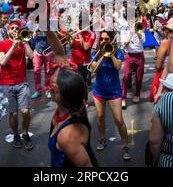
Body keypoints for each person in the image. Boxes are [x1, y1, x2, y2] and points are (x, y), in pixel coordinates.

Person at [45, 30, 98, 167]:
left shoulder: (67, 136)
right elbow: (59, 53)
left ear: (57, 93)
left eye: (55, 80)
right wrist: (44, 22)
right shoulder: (72, 106)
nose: (54, 75)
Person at [89, 31, 131, 160]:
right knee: (100, 117)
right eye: (101, 39)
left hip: (114, 91)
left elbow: (118, 66)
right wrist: (102, 56)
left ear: (111, 40)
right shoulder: (96, 52)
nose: (103, 41)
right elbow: (93, 70)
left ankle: (125, 146)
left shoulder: (117, 51)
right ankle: (102, 139)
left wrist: (111, 54)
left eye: (106, 38)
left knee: (119, 120)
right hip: (99, 91)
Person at [0, 20, 34, 150]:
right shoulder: (2, 44)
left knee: (25, 111)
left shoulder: (23, 43)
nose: (14, 30)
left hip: (22, 82)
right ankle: (16, 135)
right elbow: (2, 61)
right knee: (13, 114)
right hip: (7, 84)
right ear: (8, 31)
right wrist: (13, 46)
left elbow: (32, 55)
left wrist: (25, 43)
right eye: (12, 28)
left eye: (17, 29)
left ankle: (25, 133)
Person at [121, 21, 146, 108]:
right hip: (129, 56)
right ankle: (123, 98)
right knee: (126, 77)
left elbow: (143, 40)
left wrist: (138, 33)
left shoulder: (140, 30)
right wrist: (130, 34)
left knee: (139, 78)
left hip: (139, 56)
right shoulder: (125, 31)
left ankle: (137, 95)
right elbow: (123, 44)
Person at [149, 22, 172, 103]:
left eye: (164, 30)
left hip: (163, 73)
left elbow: (158, 65)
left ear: (168, 31)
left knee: (159, 102)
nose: (163, 32)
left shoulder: (165, 42)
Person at [31, 26, 54, 99]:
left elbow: (54, 37)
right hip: (38, 51)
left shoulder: (52, 25)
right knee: (36, 70)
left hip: (48, 51)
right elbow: (33, 37)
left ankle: (48, 90)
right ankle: (38, 90)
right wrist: (37, 28)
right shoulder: (36, 25)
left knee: (48, 71)